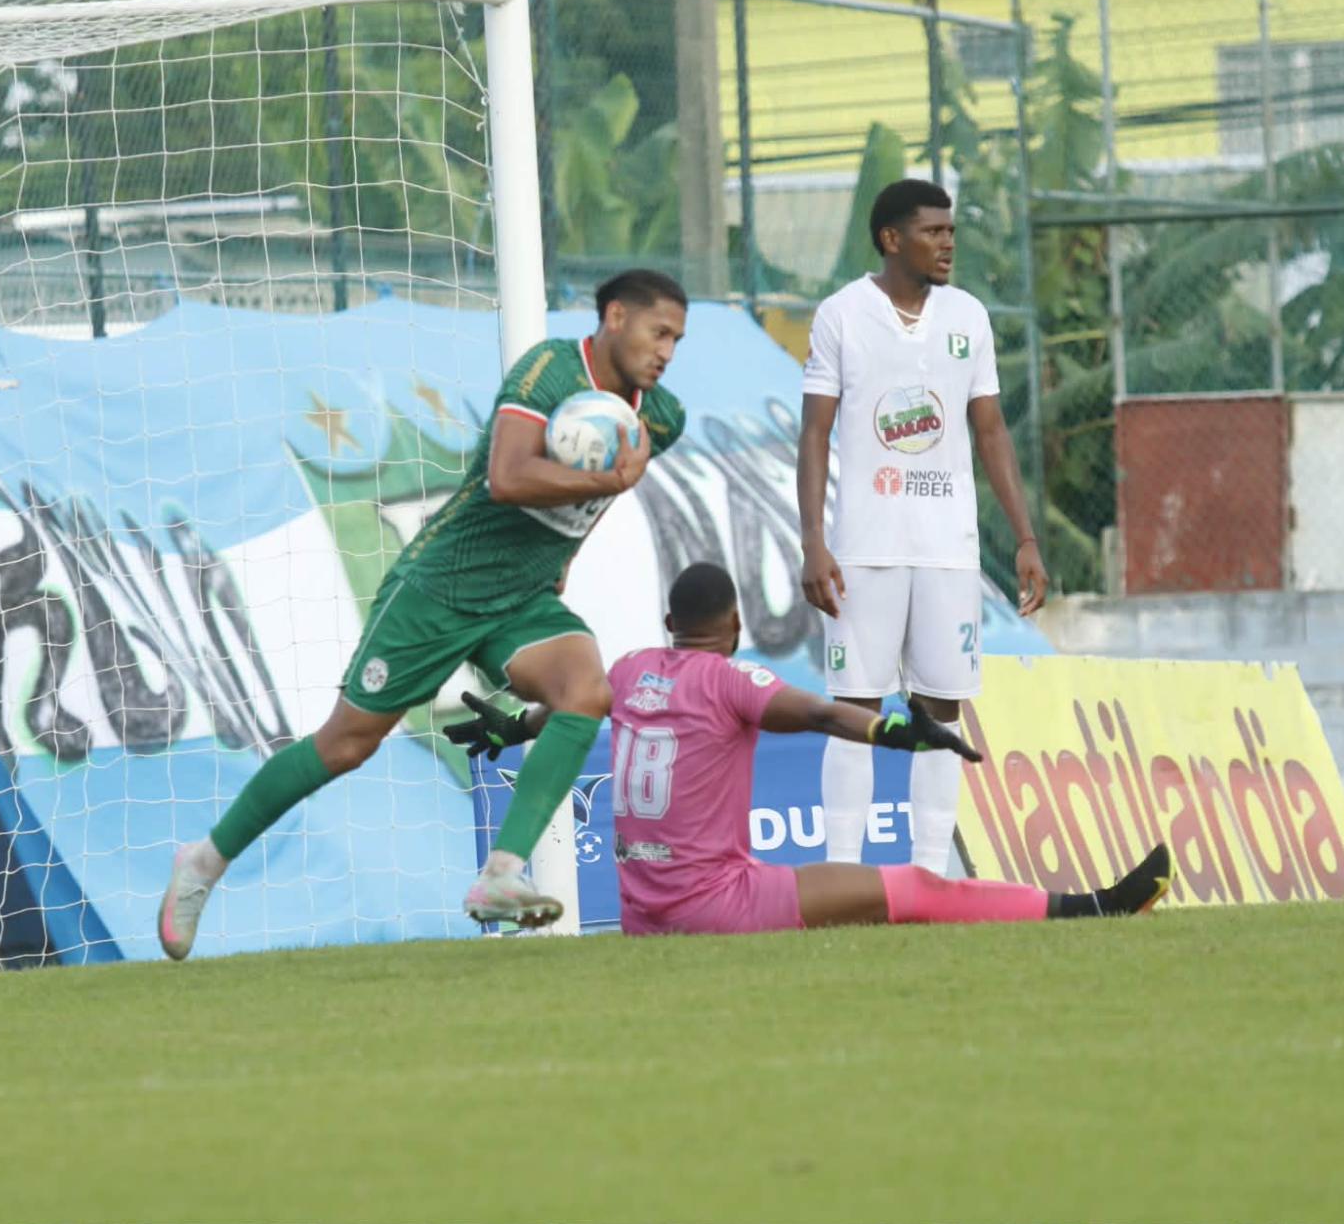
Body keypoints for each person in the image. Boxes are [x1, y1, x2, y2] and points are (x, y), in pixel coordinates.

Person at [157, 269, 691, 960]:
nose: (668, 350)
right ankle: (202, 863)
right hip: (441, 586)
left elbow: (597, 497)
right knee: (346, 743)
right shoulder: (549, 372)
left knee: (585, 691)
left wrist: (569, 552)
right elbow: (508, 476)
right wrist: (608, 479)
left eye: (677, 338)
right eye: (660, 332)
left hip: (523, 598)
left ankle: (502, 874)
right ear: (615, 316)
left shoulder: (661, 414)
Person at [448, 563, 1169, 935]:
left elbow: (571, 707)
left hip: (646, 912)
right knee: (916, 889)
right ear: (733, 624)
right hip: (717, 905)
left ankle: (1093, 906)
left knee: (829, 890)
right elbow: (821, 713)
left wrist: (512, 727)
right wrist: (895, 729)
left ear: (670, 622)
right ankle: (1093, 908)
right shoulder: (733, 679)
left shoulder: (633, 667)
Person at [797, 179, 1049, 875]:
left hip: (947, 550)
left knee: (944, 707)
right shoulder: (841, 314)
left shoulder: (968, 316)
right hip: (862, 548)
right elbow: (814, 432)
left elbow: (990, 428)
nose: (947, 244)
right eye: (933, 232)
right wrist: (814, 541)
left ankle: (931, 872)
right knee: (854, 707)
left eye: (950, 232)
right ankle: (841, 871)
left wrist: (1026, 537)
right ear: (891, 238)